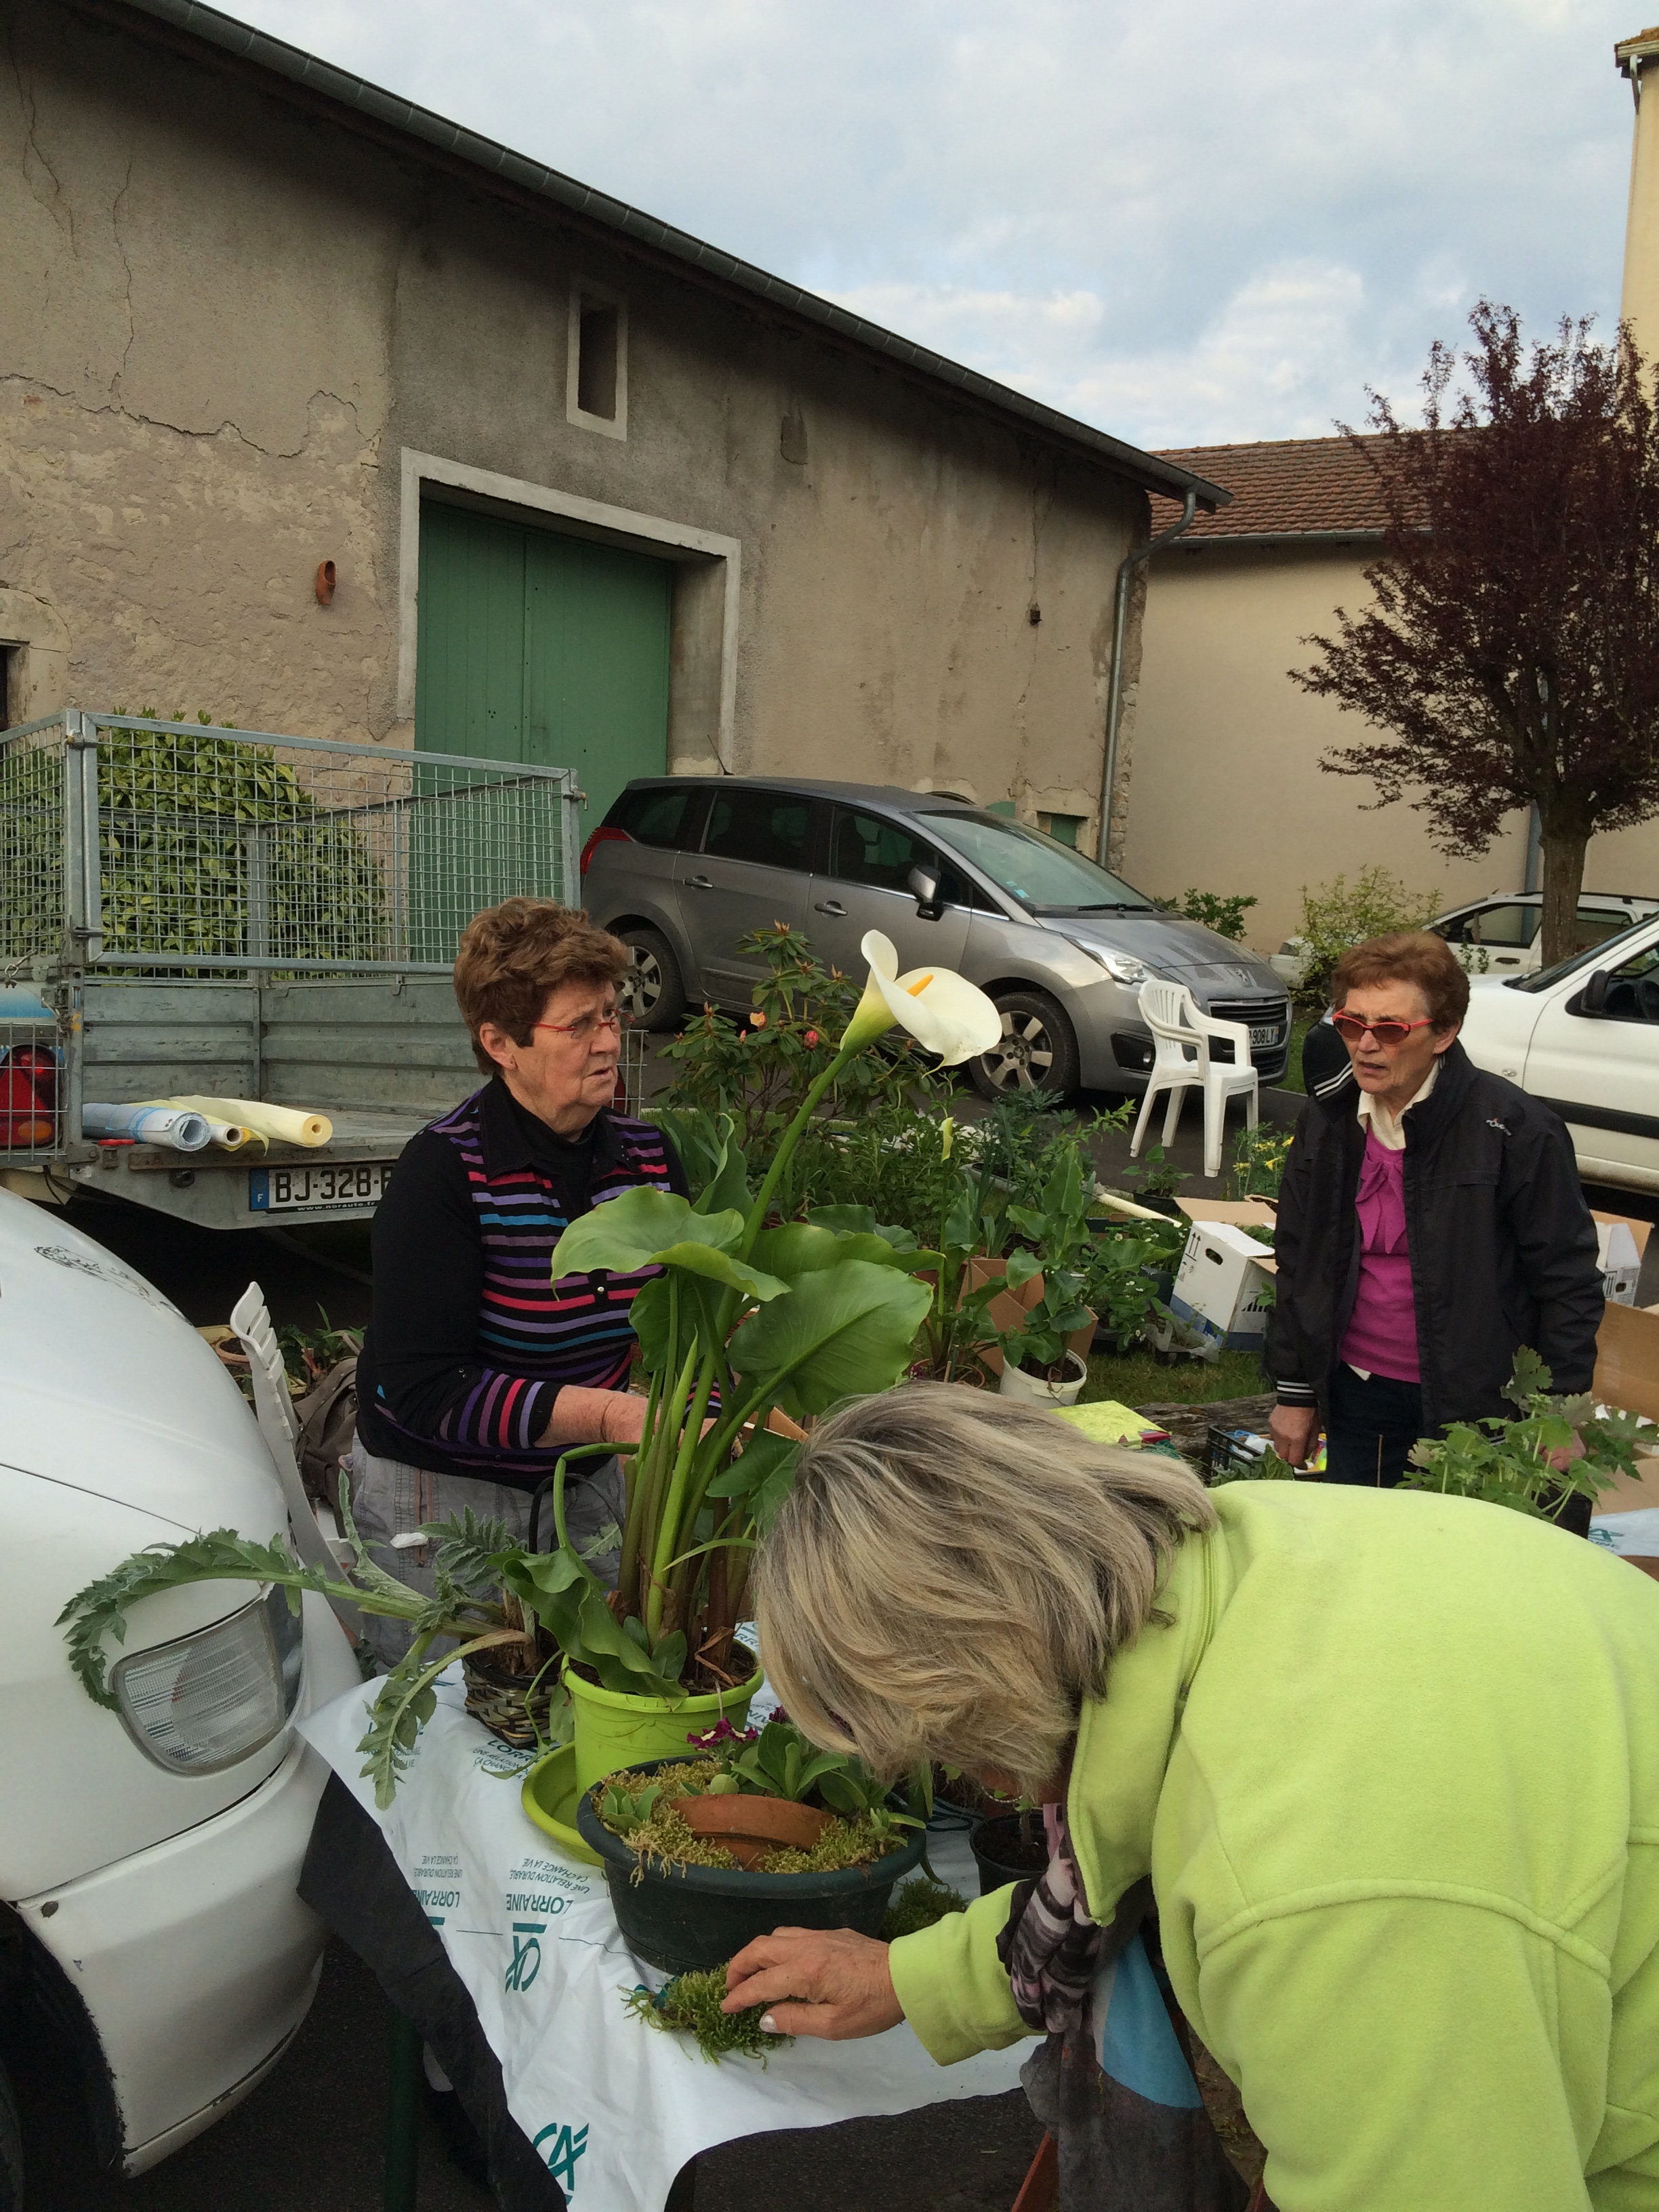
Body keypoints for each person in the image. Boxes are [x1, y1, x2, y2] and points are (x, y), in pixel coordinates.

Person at [722, 1385, 1659, 2211]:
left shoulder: (1310, 1887)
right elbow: (1112, 1835)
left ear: (972, 1698)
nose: (970, 1780)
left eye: (938, 1748)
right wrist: (913, 1979)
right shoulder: (1235, 1553)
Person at [348, 897, 687, 1657]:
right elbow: (424, 1388)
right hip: (443, 1504)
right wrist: (612, 1418)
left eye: (611, 1013)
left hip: (582, 1488)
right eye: (580, 1025)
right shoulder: (443, 1173)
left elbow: (684, 1326)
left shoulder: (650, 1162)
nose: (610, 1040)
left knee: (586, 1694)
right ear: (501, 1043)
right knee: (447, 1711)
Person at [1265, 930, 1603, 1504]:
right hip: (1360, 1394)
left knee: (1459, 1553)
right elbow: (1301, 1263)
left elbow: (1566, 1280)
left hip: (1480, 1407)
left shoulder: (1515, 1130)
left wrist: (1558, 1412)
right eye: (1352, 1024)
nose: (1365, 1045)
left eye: (1390, 1029)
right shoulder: (1328, 1121)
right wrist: (1296, 1391)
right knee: (1365, 1543)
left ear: (1444, 1033)